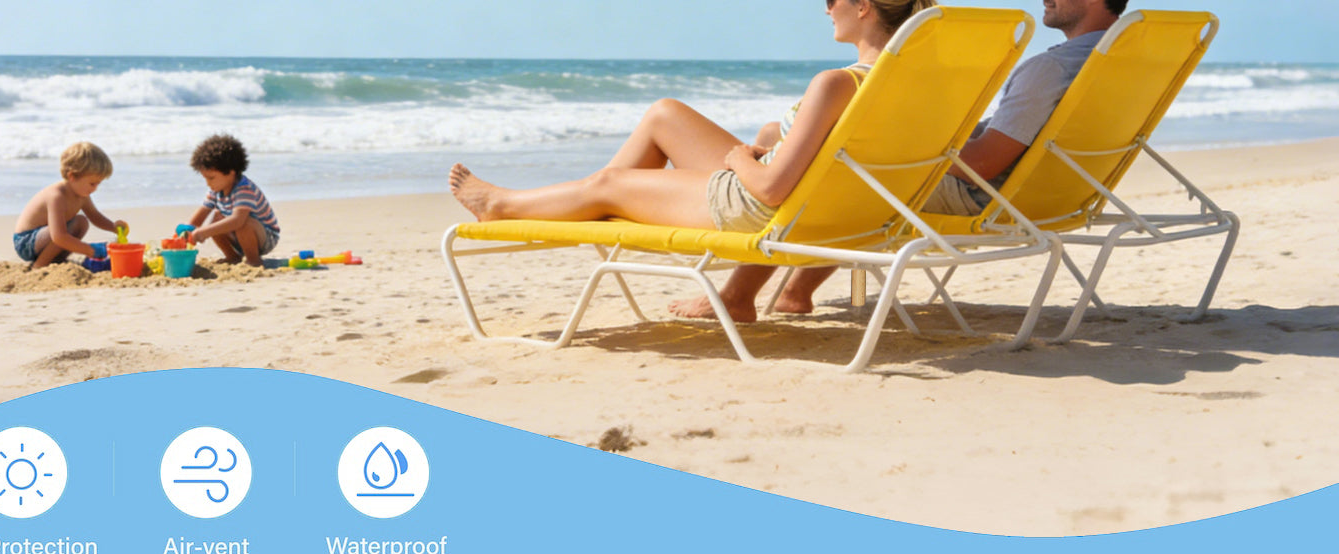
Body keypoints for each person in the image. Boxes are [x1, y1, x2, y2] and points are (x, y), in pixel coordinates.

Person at [669, 0, 1129, 323]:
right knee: (780, 135)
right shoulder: (1116, 62)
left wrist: (913, 136)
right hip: (1053, 194)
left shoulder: (1047, 69)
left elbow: (982, 165)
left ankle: (739, 295)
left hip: (981, 194)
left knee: (837, 153)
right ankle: (795, 290)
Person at [450, 0, 939, 244]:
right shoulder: (913, 83)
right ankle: (589, 206)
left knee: (611, 181)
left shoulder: (837, 82)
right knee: (665, 113)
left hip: (764, 207)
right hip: (838, 208)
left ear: (864, 8)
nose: (825, 7)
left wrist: (739, 157)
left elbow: (769, 190)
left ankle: (501, 204)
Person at [13, 141, 128, 269]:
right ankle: (39, 265)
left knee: (81, 222)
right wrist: (90, 250)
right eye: (92, 184)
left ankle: (57, 260)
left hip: (48, 239)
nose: (95, 189)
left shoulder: (82, 195)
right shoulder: (56, 196)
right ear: (72, 176)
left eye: (98, 184)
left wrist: (114, 228)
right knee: (65, 231)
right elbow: (59, 237)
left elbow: (95, 216)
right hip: (26, 242)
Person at [186, 134, 281, 267]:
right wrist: (185, 233)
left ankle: (253, 260)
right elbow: (200, 216)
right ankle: (232, 257)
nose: (208, 183)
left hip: (265, 237)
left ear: (231, 172)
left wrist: (204, 232)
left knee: (243, 222)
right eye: (205, 178)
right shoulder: (215, 190)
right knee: (216, 217)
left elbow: (238, 220)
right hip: (238, 236)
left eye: (211, 178)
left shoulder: (244, 189)